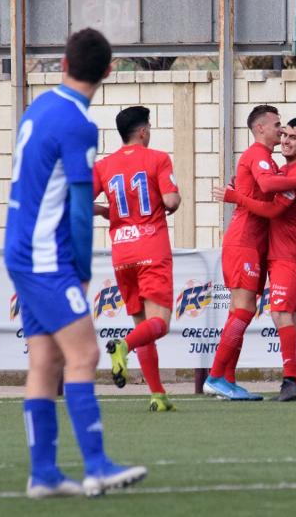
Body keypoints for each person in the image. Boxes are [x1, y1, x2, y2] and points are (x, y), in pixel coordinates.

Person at [4, 28, 146, 498]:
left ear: (63, 62)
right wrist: (81, 271)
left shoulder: (39, 107)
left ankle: (43, 473)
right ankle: (97, 465)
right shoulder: (79, 125)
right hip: (48, 257)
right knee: (84, 355)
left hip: (21, 248)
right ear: (109, 71)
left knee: (45, 359)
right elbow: (83, 207)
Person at [203, 105, 296, 401]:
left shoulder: (272, 161)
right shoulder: (258, 155)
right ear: (260, 127)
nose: (282, 131)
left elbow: (275, 197)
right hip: (245, 242)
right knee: (245, 309)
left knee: (244, 310)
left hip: (258, 245)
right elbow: (265, 186)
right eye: (278, 125)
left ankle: (226, 380)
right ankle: (215, 376)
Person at [93, 106, 180, 412]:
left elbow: (74, 200)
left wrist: (104, 211)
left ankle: (157, 394)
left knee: (143, 326)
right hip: (151, 250)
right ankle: (123, 346)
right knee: (160, 323)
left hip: (122, 255)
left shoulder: (104, 166)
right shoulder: (157, 158)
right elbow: (170, 200)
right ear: (143, 131)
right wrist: (173, 199)